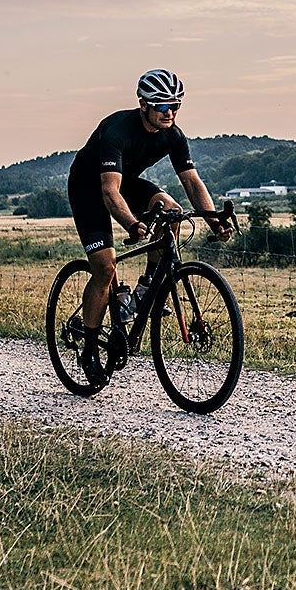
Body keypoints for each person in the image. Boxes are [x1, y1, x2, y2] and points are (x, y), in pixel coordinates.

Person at [67, 69, 230, 384]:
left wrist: (214, 221)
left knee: (172, 211)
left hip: (124, 183)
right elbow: (109, 193)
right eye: (162, 106)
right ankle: (89, 348)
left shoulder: (173, 135)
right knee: (104, 268)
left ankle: (146, 288)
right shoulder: (116, 131)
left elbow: (192, 182)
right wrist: (132, 224)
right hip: (90, 189)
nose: (170, 113)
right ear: (143, 104)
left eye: (175, 106)